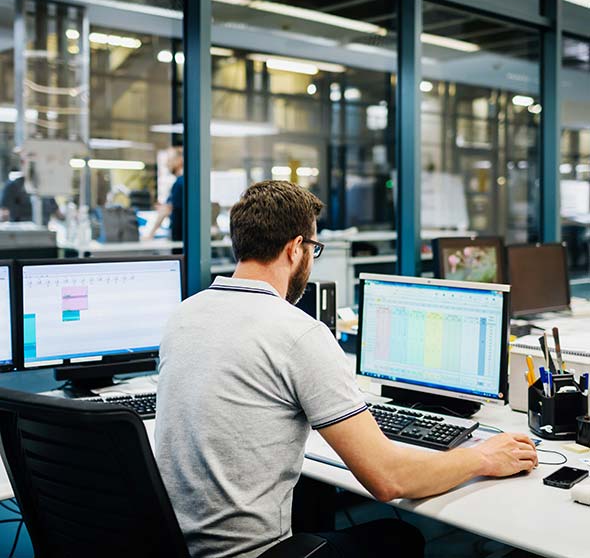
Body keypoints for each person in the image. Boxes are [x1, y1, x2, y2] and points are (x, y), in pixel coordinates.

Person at [155, 180, 538, 558]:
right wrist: (483, 457)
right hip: (253, 553)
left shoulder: (184, 315)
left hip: (177, 544)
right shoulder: (297, 333)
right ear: (295, 249)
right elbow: (390, 481)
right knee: (400, 537)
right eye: (314, 248)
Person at [147, 146, 183, 241]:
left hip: (180, 239)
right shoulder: (185, 183)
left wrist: (150, 235)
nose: (167, 164)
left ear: (180, 160)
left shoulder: (180, 183)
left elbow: (166, 210)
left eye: (169, 160)